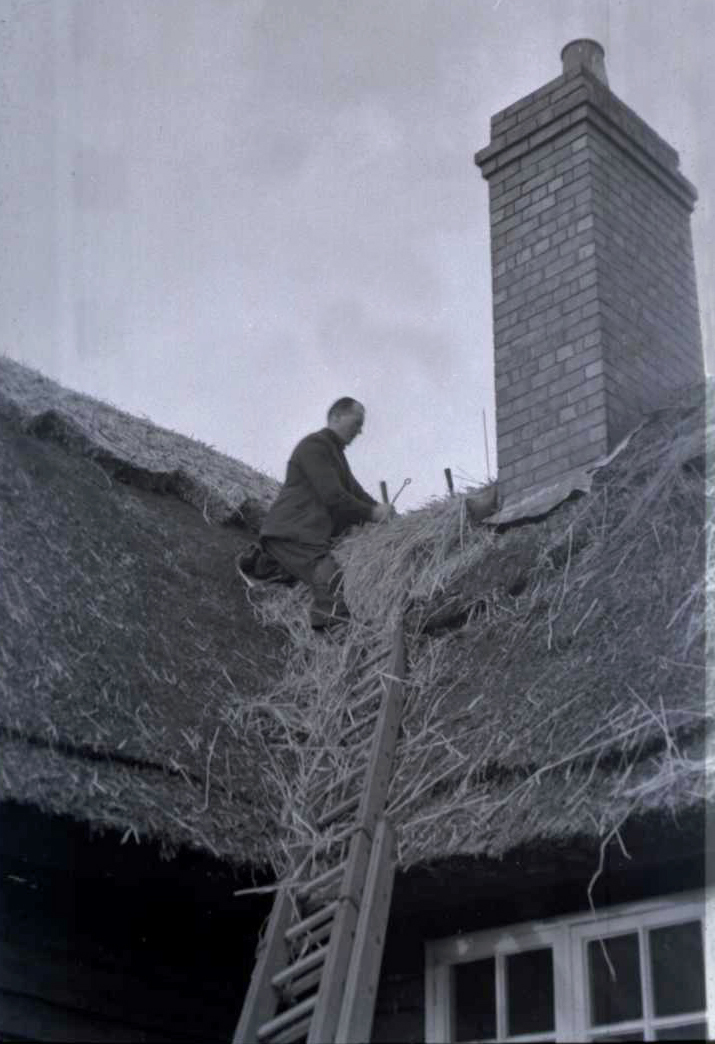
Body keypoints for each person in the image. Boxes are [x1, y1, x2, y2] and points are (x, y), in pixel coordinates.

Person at [260, 398, 393, 630]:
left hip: (308, 537)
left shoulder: (336, 455)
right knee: (330, 576)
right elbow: (334, 497)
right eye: (357, 423)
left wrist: (387, 515)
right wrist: (373, 513)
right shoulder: (315, 446)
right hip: (291, 533)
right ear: (336, 417)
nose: (360, 431)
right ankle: (333, 627)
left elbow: (356, 493)